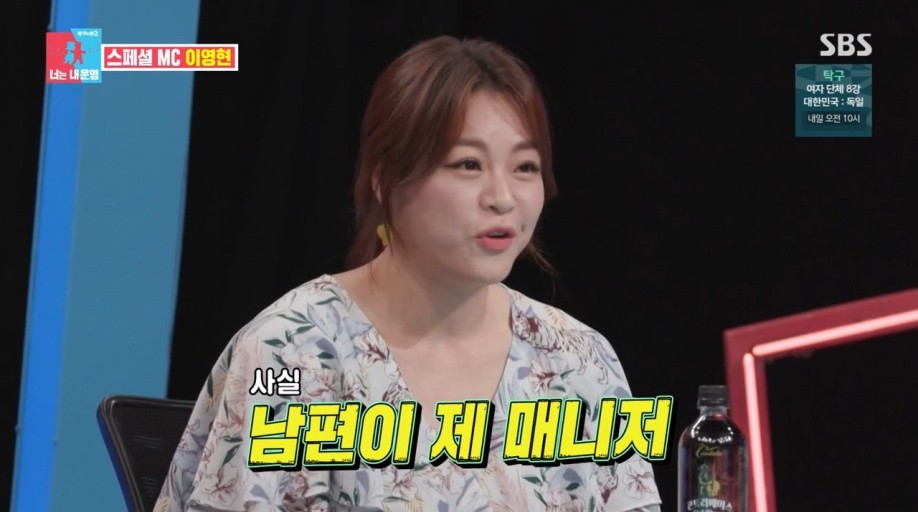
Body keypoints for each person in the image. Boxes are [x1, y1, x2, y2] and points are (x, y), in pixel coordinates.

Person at [156, 35, 662, 511]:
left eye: (525, 167)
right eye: (468, 164)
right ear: (386, 177)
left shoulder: (578, 359)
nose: (503, 197)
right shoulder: (291, 351)